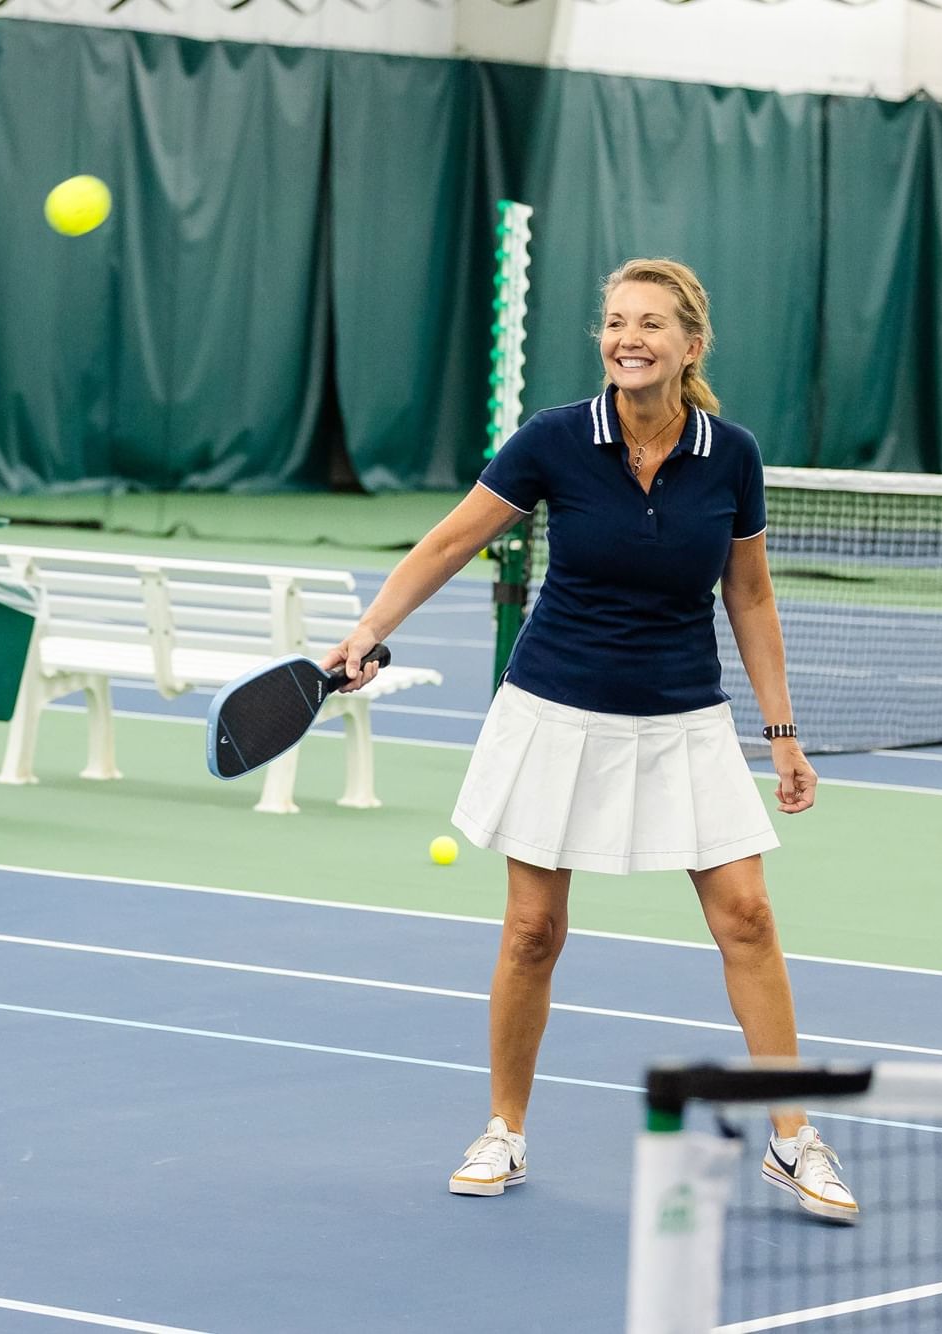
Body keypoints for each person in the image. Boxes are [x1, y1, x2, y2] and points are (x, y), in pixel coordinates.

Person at [322, 257, 858, 1223]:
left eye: (651, 324)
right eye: (615, 323)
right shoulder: (555, 441)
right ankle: (504, 1129)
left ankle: (793, 1138)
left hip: (685, 717)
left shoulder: (731, 454)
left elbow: (750, 592)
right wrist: (370, 631)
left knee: (748, 918)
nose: (628, 339)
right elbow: (451, 540)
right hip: (556, 712)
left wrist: (782, 733)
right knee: (533, 931)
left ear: (690, 346)